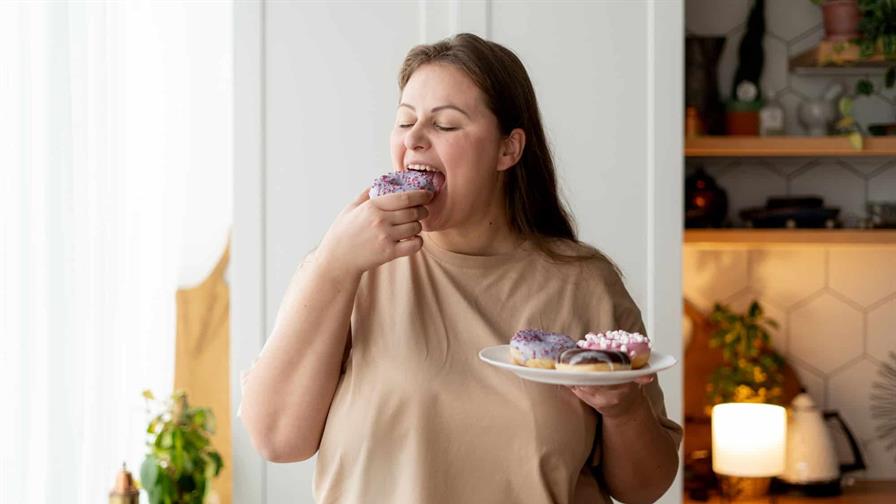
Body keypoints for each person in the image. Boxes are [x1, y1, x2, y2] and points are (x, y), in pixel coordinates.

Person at [239, 33, 681, 504]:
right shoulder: (350, 269)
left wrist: (625, 409)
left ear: (507, 150)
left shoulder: (585, 283)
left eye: (445, 124)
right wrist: (331, 266)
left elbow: (644, 488)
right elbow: (276, 441)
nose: (413, 138)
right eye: (405, 121)